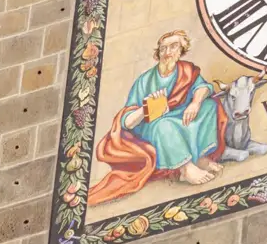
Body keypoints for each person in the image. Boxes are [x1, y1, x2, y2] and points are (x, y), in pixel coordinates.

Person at [87, 31, 228, 206]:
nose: (167, 51)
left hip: (179, 116)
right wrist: (146, 110)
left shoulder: (185, 70)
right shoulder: (145, 80)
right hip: (151, 127)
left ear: (181, 50)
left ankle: (200, 157)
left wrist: (195, 103)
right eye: (163, 48)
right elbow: (127, 120)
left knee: (209, 106)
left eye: (173, 46)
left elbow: (203, 87)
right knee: (164, 124)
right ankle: (185, 168)